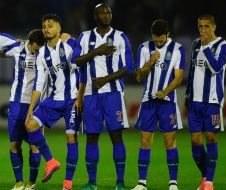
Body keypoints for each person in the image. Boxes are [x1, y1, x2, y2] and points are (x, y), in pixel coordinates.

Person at [72, 3, 134, 190]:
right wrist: (96, 52)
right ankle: (92, 183)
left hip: (112, 94)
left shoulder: (120, 37)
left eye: (109, 12)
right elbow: (76, 61)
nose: (107, 15)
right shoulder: (84, 37)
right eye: (102, 12)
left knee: (116, 136)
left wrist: (106, 79)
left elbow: (129, 67)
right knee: (92, 137)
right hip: (90, 95)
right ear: (95, 16)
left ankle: (120, 182)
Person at [25, 14, 81, 190]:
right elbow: (39, 82)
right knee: (30, 125)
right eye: (44, 26)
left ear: (58, 28)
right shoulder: (42, 53)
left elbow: (83, 61)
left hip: (72, 100)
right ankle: (51, 161)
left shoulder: (69, 44)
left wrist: (73, 39)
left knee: (71, 137)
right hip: (53, 99)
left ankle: (67, 184)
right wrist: (31, 107)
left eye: (50, 26)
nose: (46, 29)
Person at [131, 19, 185, 190]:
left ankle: (173, 183)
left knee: (170, 141)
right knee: (145, 140)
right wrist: (150, 62)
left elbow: (178, 78)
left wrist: (165, 91)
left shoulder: (178, 49)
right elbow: (139, 76)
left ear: (168, 35)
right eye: (156, 40)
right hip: (148, 100)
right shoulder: (144, 48)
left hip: (167, 101)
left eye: (161, 40)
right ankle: (142, 183)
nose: (158, 43)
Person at [185, 14, 226, 190]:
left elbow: (217, 67)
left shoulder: (223, 45)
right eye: (200, 27)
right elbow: (192, 70)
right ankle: (205, 177)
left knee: (211, 138)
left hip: (212, 101)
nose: (203, 30)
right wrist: (188, 94)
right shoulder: (196, 43)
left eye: (206, 27)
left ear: (214, 27)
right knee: (195, 142)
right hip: (195, 102)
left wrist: (206, 48)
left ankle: (209, 182)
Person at [0, 30, 46, 190]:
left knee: (34, 145)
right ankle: (19, 182)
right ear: (29, 43)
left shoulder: (44, 53)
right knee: (14, 144)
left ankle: (31, 182)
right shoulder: (17, 47)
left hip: (36, 103)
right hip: (16, 103)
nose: (37, 51)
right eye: (35, 48)